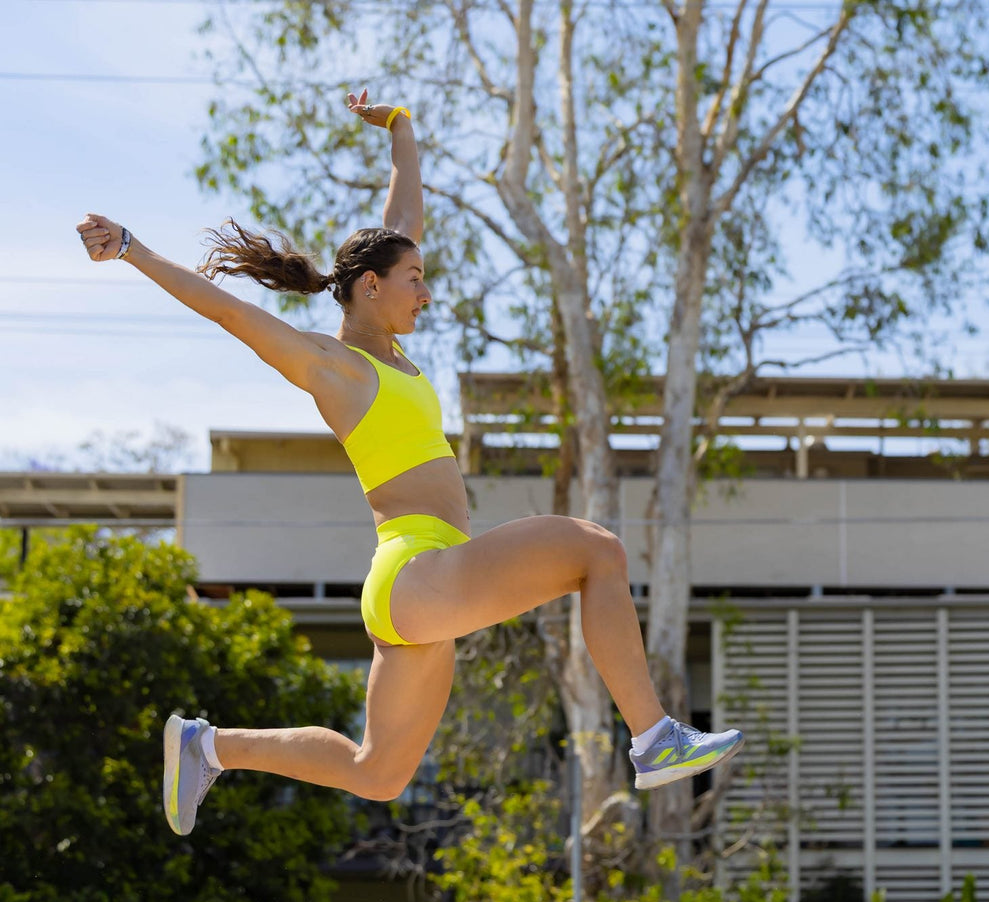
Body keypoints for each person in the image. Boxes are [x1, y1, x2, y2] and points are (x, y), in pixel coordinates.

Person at [77, 89, 743, 837]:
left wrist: (400, 128)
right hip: (415, 571)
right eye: (415, 278)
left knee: (379, 771)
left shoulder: (388, 348)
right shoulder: (339, 367)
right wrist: (131, 246)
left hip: (421, 589)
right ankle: (654, 738)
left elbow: (404, 211)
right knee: (597, 550)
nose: (426, 291)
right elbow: (232, 313)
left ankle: (207, 745)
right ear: (372, 287)